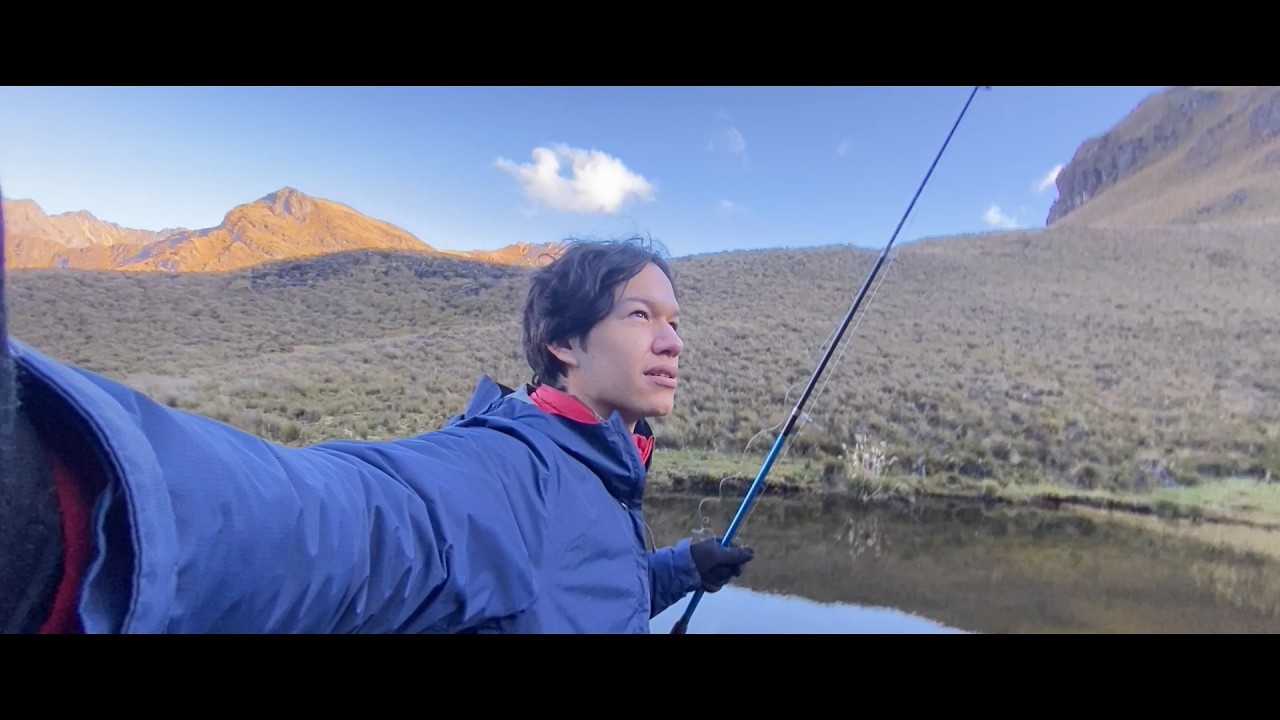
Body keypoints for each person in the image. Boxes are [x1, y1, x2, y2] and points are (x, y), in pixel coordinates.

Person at [0, 194, 754, 634]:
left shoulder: (601, 466)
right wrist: (72, 503)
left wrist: (676, 571)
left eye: (675, 321)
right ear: (563, 342)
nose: (672, 341)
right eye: (639, 315)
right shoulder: (504, 469)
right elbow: (353, 521)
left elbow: (571, 590)